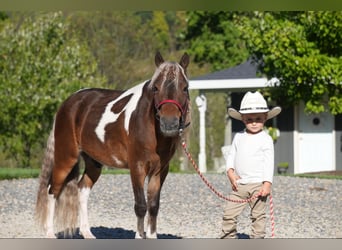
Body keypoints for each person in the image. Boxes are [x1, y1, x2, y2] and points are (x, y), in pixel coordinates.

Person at [220, 91, 281, 239]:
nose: (254, 122)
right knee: (229, 213)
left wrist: (267, 183)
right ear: (242, 119)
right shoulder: (239, 137)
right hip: (239, 185)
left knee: (258, 217)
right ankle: (227, 238)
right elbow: (231, 156)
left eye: (258, 119)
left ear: (265, 118)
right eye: (249, 119)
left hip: (258, 186)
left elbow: (268, 162)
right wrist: (230, 172)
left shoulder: (265, 139)